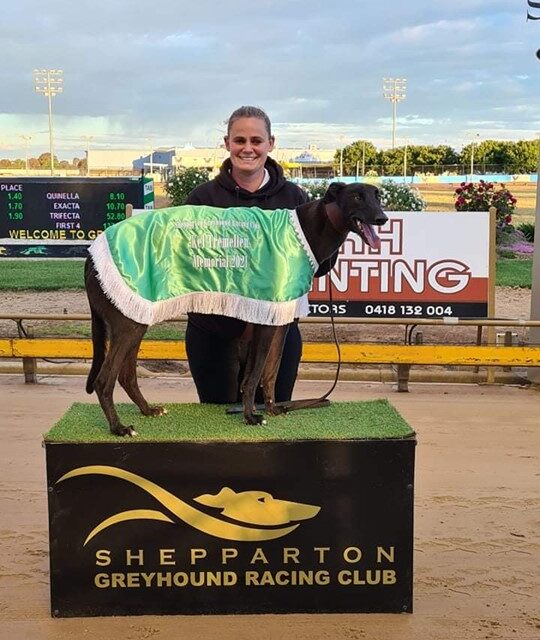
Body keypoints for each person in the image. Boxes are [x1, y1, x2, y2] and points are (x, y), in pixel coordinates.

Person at [185, 105, 334, 404]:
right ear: (227, 144)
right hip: (214, 333)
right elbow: (190, 266)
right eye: (240, 140)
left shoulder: (295, 199)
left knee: (272, 423)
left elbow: (316, 268)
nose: (248, 148)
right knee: (217, 429)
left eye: (256, 140)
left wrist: (335, 232)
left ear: (271, 143)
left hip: (278, 333)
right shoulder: (202, 199)